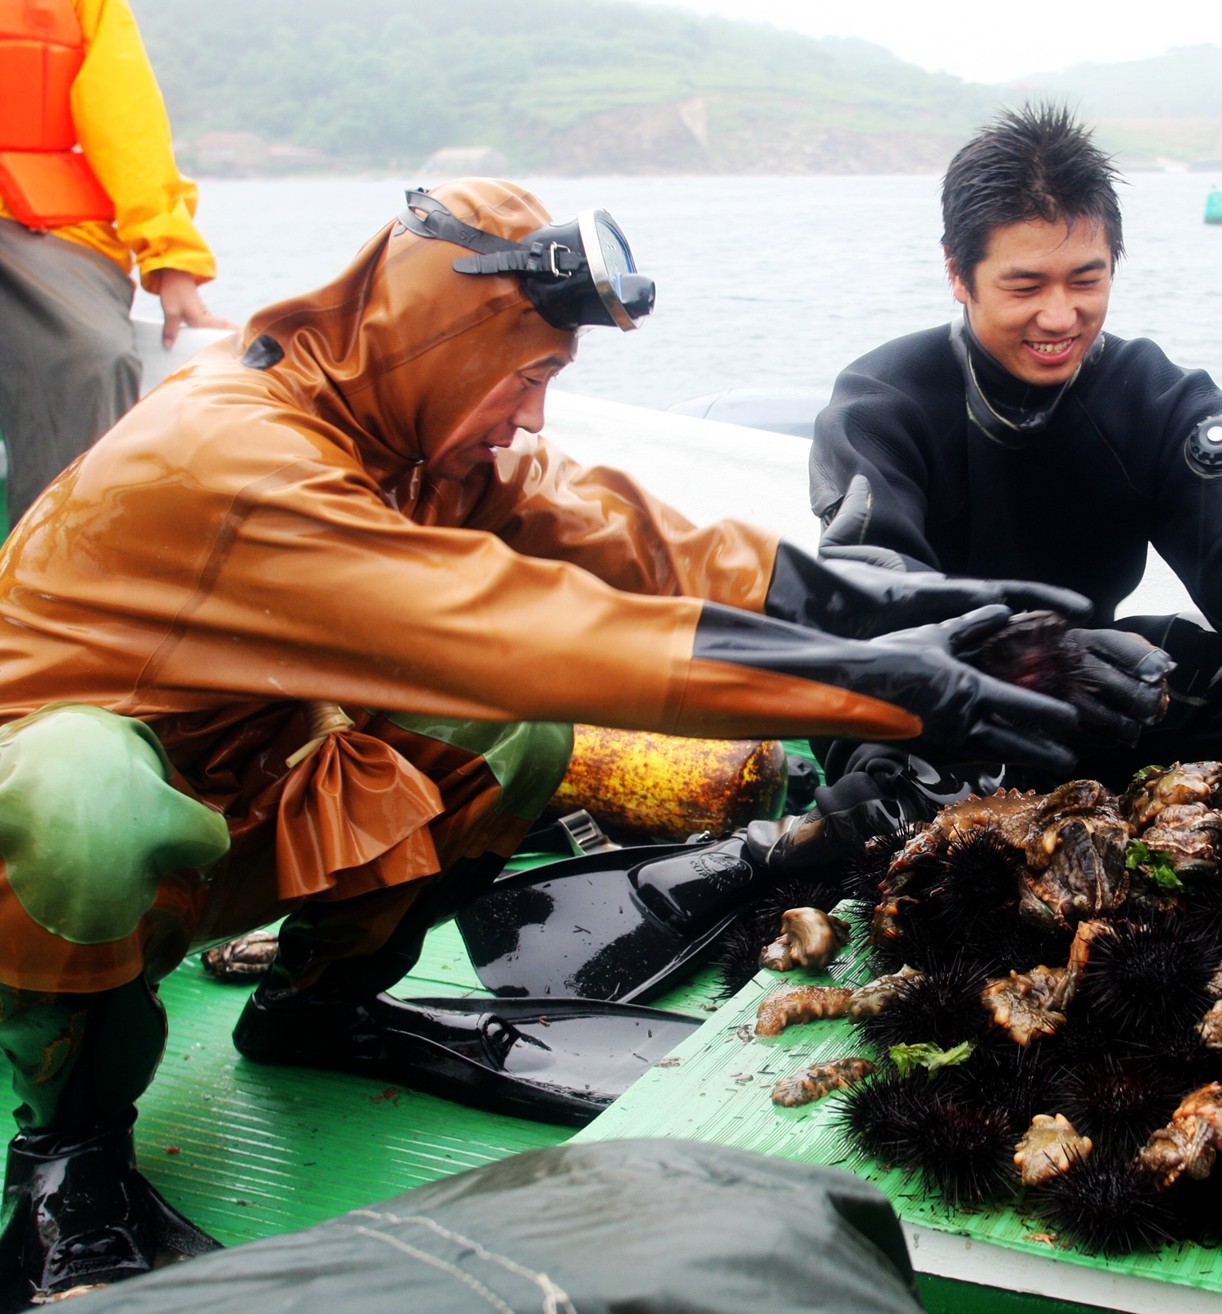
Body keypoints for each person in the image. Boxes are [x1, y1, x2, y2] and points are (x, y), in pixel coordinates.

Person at [0, 178, 1095, 1305]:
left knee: (511, 736)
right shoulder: (225, 454)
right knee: (85, 794)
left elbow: (633, 542)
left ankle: (319, 1009)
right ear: (437, 335)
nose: (532, 417)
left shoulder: (408, 430)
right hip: (48, 855)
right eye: (528, 378)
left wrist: (922, 611)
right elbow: (520, 630)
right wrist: (887, 692)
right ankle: (65, 1160)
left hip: (233, 800)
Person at [797, 102, 1222, 852]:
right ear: (957, 273)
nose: (1060, 316)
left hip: (1081, 692)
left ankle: (1157, 837)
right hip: (939, 703)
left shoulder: (1152, 393)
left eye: (1086, 280)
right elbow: (870, 591)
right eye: (1025, 286)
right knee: (877, 779)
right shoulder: (884, 401)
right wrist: (1032, 664)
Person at [0, 0, 233, 530]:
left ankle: (54, 574)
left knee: (91, 356)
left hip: (38, 227)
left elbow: (126, 122)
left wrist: (171, 257)